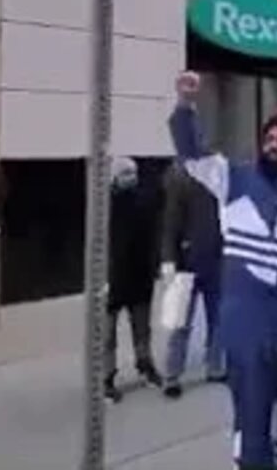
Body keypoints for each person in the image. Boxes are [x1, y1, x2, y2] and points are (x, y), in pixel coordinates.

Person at [168, 71, 277, 470]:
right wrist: (186, 105)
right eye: (269, 138)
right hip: (249, 307)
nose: (273, 144)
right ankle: (253, 461)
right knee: (253, 397)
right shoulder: (233, 178)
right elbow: (192, 151)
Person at [160, 160, 225, 399]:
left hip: (216, 259)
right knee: (181, 322)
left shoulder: (219, 177)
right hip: (188, 261)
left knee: (217, 319)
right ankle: (172, 375)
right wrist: (169, 258)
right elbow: (171, 222)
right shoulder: (181, 177)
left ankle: (214, 367)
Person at [105, 156, 163, 402]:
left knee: (142, 329)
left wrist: (154, 266)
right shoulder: (104, 206)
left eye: (133, 173)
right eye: (125, 173)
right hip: (112, 278)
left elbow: (153, 236)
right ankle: (106, 377)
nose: (131, 178)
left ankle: (145, 364)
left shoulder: (144, 203)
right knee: (107, 334)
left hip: (139, 275)